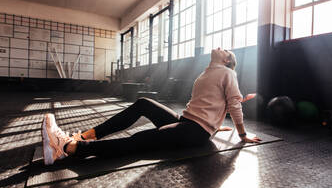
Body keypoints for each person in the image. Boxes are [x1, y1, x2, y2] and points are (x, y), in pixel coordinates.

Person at [41, 48, 261, 165]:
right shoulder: (207, 72)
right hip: (187, 122)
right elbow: (211, 104)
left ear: (227, 62)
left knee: (140, 139)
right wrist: (216, 126)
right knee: (143, 103)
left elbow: (233, 104)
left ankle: (68, 148)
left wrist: (241, 135)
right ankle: (88, 135)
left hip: (195, 132)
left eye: (227, 52)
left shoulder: (228, 73)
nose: (222, 49)